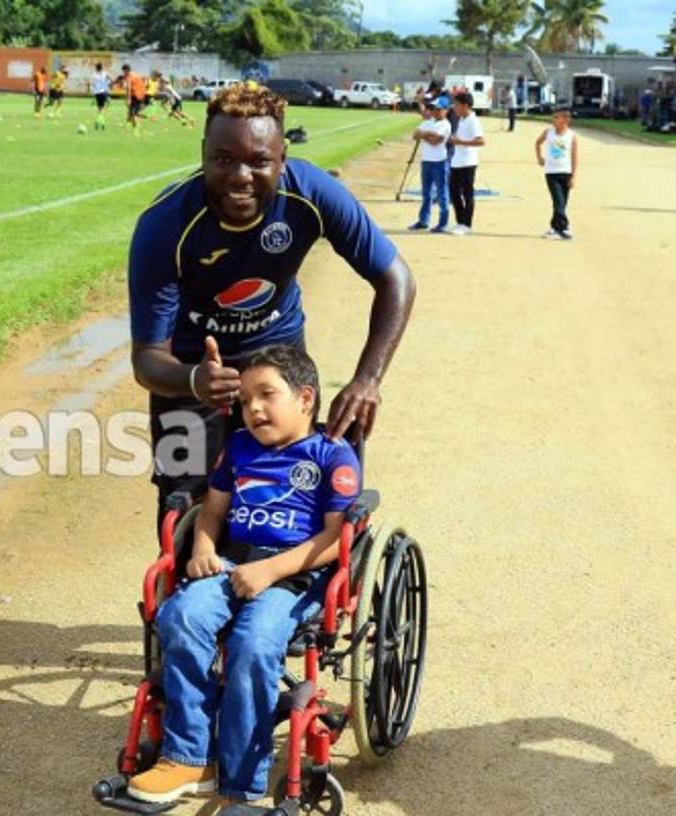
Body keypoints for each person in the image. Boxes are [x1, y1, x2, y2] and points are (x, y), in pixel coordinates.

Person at [126, 84, 415, 521]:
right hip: (191, 368)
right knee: (182, 505)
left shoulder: (312, 194)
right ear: (203, 154)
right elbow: (147, 360)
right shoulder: (164, 225)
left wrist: (367, 380)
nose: (241, 176)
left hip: (278, 359)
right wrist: (194, 379)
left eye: (259, 161)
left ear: (283, 159)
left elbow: (396, 279)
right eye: (223, 159)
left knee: (290, 493)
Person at [126, 344, 362, 808]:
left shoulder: (332, 455)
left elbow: (337, 539)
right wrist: (202, 548)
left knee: (253, 644)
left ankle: (240, 785)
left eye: (266, 395)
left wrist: (270, 570)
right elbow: (212, 512)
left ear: (306, 398)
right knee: (181, 616)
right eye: (245, 400)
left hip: (295, 576)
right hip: (232, 564)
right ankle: (189, 757)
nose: (253, 409)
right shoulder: (238, 448)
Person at [408, 96, 451, 233]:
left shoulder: (445, 124)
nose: (435, 111)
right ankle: (424, 220)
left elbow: (435, 141)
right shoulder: (429, 121)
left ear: (446, 110)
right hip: (426, 161)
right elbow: (415, 135)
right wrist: (428, 134)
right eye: (433, 109)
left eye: (438, 109)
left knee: (441, 192)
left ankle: (443, 223)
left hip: (439, 162)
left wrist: (423, 134)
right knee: (426, 192)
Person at [535, 107, 578, 240]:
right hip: (551, 172)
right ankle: (565, 228)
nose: (553, 120)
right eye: (553, 117)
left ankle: (555, 228)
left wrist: (573, 176)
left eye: (556, 117)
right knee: (558, 200)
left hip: (566, 172)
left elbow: (574, 157)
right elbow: (537, 143)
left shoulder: (572, 136)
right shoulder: (548, 132)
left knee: (562, 203)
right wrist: (539, 157)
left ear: (565, 120)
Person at [447, 91, 484, 236]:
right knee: (454, 192)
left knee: (467, 194)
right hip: (457, 161)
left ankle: (467, 224)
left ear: (465, 105)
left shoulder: (473, 121)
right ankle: (460, 221)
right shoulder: (461, 120)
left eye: (456, 104)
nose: (454, 107)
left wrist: (460, 141)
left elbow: (481, 141)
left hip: (468, 162)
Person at [121, 64, 146, 133]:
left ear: (126, 70)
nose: (123, 72)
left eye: (123, 71)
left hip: (135, 96)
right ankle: (127, 126)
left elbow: (128, 88)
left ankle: (136, 129)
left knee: (133, 114)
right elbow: (142, 84)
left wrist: (128, 99)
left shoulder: (129, 76)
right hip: (141, 95)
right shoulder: (135, 75)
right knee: (131, 112)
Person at [90, 62, 112, 130]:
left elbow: (92, 84)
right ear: (102, 68)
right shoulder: (104, 73)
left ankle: (101, 122)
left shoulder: (94, 75)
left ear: (96, 68)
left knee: (100, 108)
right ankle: (99, 120)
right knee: (107, 103)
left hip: (97, 93)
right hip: (104, 92)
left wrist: (93, 95)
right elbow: (111, 79)